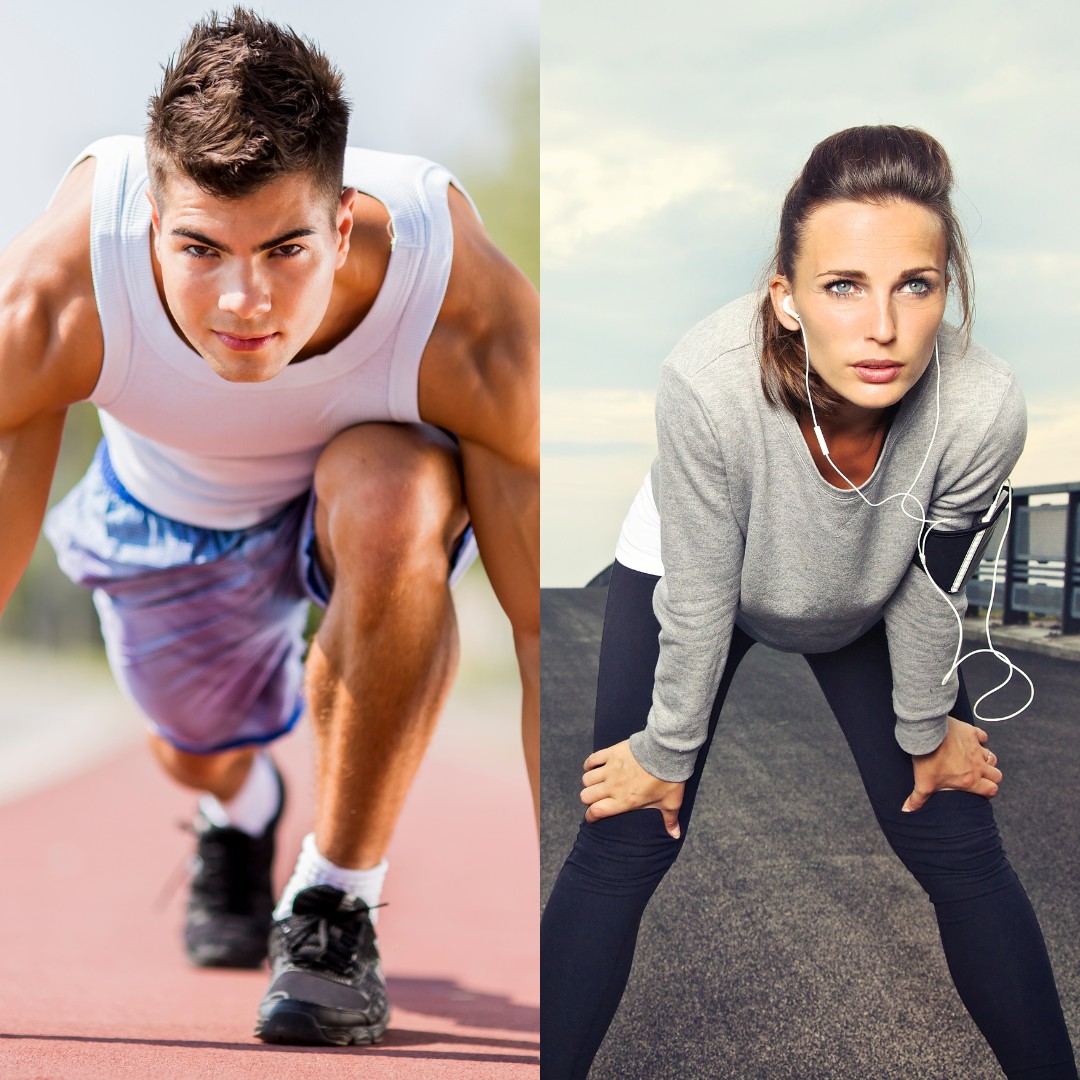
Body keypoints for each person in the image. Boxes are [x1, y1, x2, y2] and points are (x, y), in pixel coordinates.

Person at [0, 9, 537, 1048]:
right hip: (173, 515)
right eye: (201, 248)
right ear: (152, 226)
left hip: (372, 486)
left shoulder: (466, 313)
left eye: (287, 248)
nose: (245, 300)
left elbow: (548, 638)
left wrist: (593, 910)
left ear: (341, 229)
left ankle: (333, 903)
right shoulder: (57, 294)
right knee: (192, 751)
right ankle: (239, 806)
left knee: (395, 497)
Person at [540, 126, 1077, 1078]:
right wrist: (666, 751)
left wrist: (927, 726)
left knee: (956, 833)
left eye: (916, 283)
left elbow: (925, 588)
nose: (884, 327)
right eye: (843, 286)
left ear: (945, 290)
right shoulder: (706, 383)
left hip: (868, 592)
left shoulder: (983, 407)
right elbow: (702, 594)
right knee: (625, 835)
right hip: (696, 574)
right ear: (784, 299)